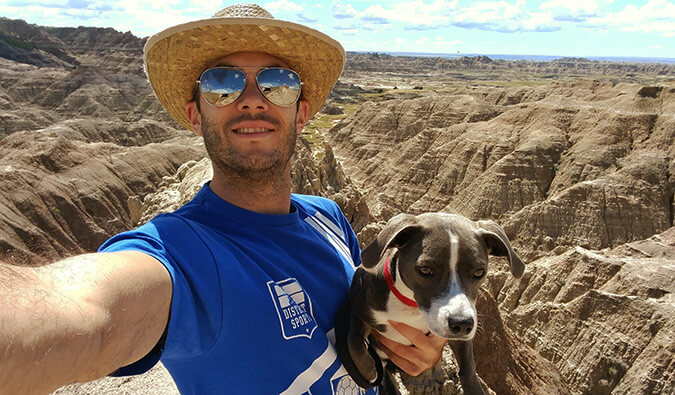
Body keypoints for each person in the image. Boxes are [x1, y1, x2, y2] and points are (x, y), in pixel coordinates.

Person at [0, 4, 445, 394]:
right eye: (222, 84)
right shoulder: (178, 255)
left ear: (302, 112)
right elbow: (83, 311)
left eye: (278, 83)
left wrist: (411, 346)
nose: (252, 100)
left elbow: (366, 317)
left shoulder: (329, 218)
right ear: (196, 115)